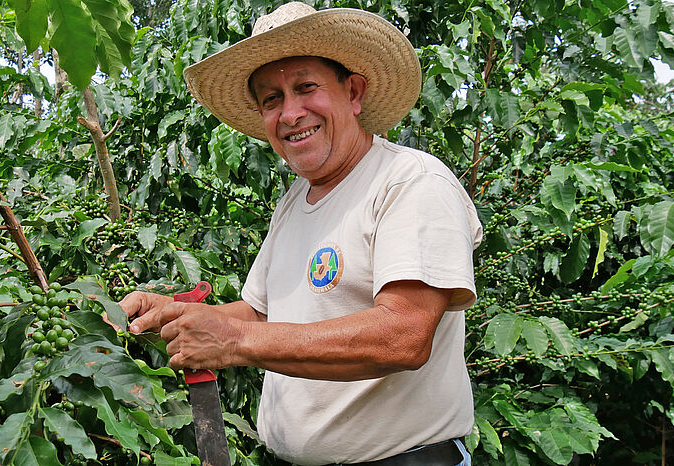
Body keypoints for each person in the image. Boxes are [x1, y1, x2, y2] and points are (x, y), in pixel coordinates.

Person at [117, 3, 482, 465]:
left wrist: (231, 341)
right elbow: (258, 315)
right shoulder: (295, 201)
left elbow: (404, 335)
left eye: (306, 87)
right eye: (271, 99)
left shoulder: (409, 182)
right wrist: (171, 315)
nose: (290, 113)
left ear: (353, 92)